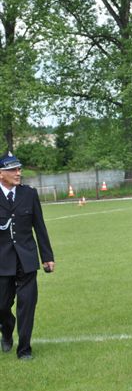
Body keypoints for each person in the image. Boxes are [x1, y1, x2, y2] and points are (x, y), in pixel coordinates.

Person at [0, 152, 55, 360]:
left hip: (27, 259)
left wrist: (47, 256)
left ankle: (24, 349)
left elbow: (39, 226)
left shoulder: (29, 194)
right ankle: (6, 328)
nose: (18, 173)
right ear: (0, 174)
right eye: (13, 169)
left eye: (19, 169)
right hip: (2, 261)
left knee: (27, 305)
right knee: (2, 306)